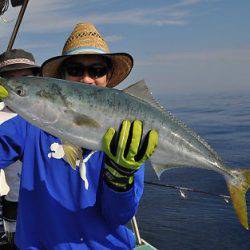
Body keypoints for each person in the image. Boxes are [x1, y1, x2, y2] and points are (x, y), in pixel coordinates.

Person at [0, 23, 158, 249]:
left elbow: (118, 216)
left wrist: (120, 178)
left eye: (96, 70)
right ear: (62, 76)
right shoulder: (31, 124)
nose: (86, 79)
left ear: (108, 77)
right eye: (75, 70)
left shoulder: (128, 134)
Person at [0, 49, 40, 249]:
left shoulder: (48, 113)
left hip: (46, 201)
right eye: (9, 78)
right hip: (15, 200)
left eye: (25, 77)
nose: (19, 84)